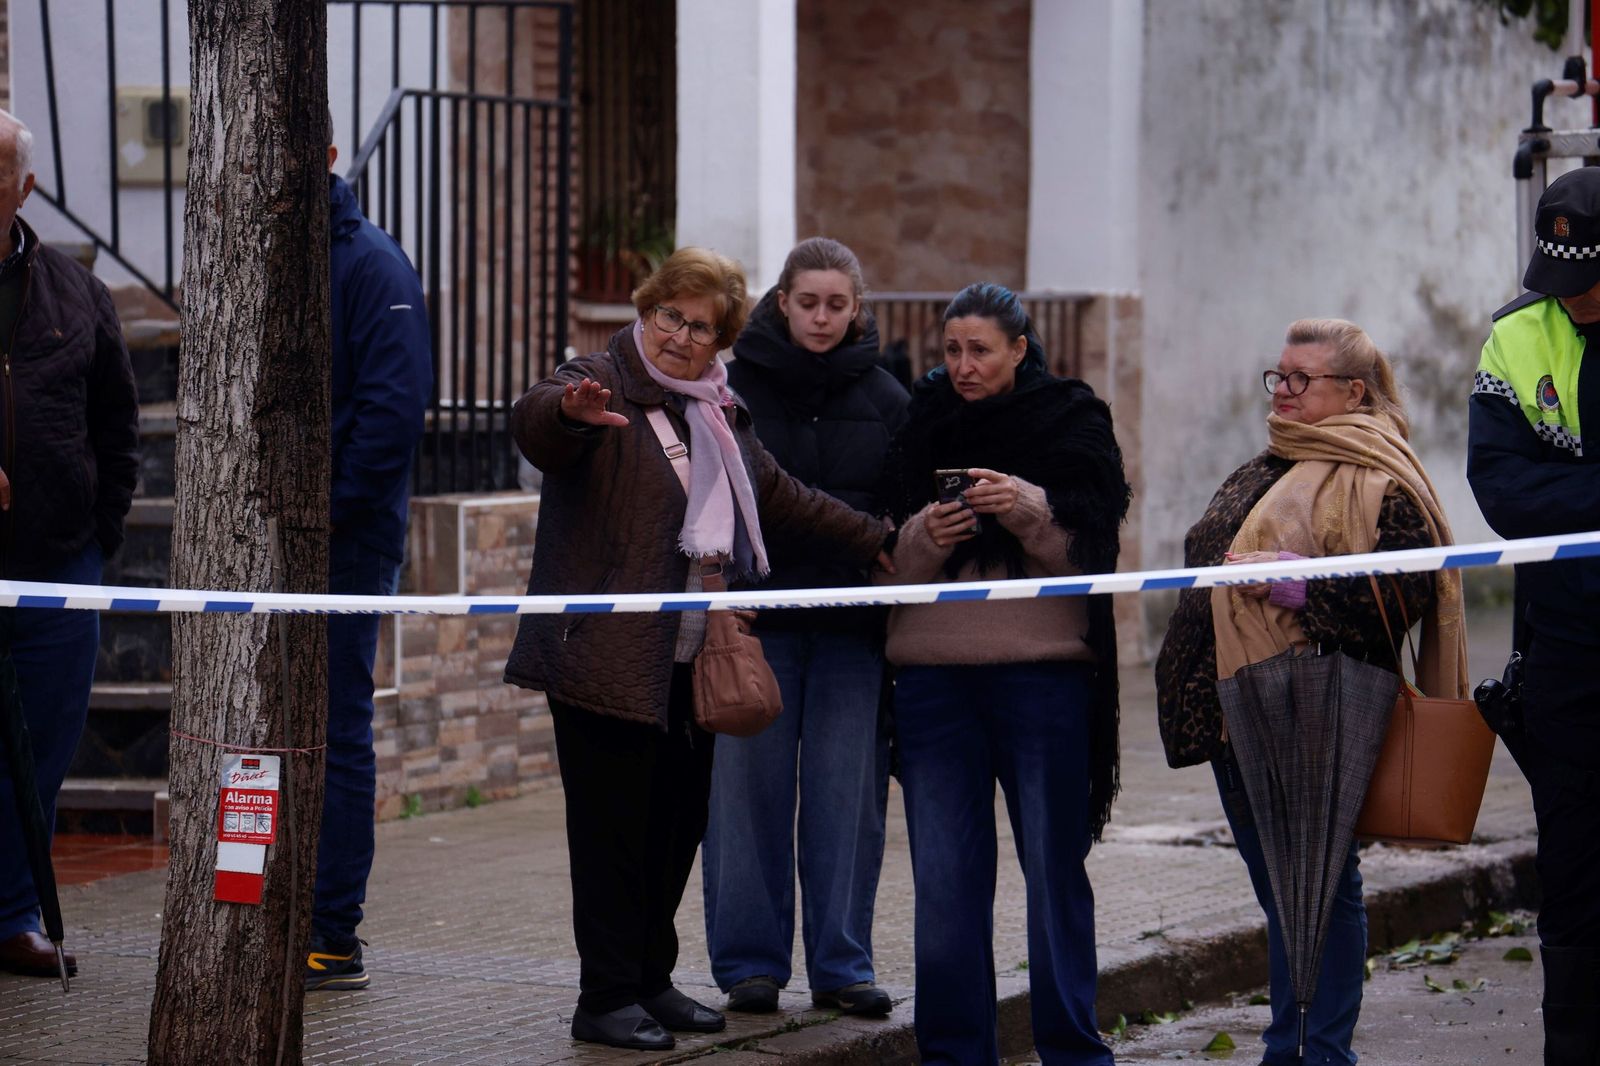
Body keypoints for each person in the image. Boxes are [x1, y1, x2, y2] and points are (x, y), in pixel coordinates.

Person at [503, 247, 893, 1052]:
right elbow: (539, 421)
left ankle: (649, 979)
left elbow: (783, 497)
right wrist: (571, 412)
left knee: (673, 828)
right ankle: (604, 996)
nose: (680, 336)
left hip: (686, 663)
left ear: (721, 340)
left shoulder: (716, 410)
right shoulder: (597, 378)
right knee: (612, 835)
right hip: (602, 659)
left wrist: (880, 542)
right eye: (668, 316)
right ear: (645, 312)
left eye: (700, 326)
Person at [1155, 318, 1466, 1066]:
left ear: (1352, 391)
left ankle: (1314, 1052)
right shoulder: (1272, 460)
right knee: (1284, 897)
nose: (1283, 391)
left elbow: (1407, 589)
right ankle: (1294, 1047)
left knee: (1320, 891)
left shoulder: (1381, 473)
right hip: (1238, 708)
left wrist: (1302, 587)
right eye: (1279, 376)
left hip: (1312, 704)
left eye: (1301, 379)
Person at [877, 282, 1128, 1066]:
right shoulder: (919, 422)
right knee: (946, 885)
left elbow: (1091, 552)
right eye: (951, 350)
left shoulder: (1073, 418)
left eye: (979, 349)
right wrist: (927, 532)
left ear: (1020, 349)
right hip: (932, 685)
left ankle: (1073, 1051)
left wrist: (1027, 510)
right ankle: (954, 1055)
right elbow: (887, 564)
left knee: (1054, 875)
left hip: (1042, 681)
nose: (962, 366)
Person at [702, 237, 908, 1017]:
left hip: (853, 632)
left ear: (857, 310)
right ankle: (750, 965)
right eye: (808, 301)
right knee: (745, 798)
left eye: (837, 304)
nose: (822, 318)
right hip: (757, 627)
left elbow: (900, 515)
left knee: (845, 798)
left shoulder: (891, 400)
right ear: (781, 302)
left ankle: (842, 965)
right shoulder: (730, 388)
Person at [0, 109, 139, 978]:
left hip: (57, 568)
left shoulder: (76, 293)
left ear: (24, 186)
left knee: (42, 751)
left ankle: (12, 913)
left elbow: (117, 426)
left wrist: (99, 536)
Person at [1468, 165, 1600, 1065]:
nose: (1573, 301)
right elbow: (1503, 491)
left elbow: (1541, 488)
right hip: (1567, 655)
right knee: (1577, 884)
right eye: (1560, 280)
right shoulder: (1517, 334)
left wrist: (1574, 491)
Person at [302, 132, 433, 990]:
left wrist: (324, 515)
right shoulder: (270, 258)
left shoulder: (373, 264)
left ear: (327, 148)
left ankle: (328, 934)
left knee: (336, 725)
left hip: (343, 543)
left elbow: (390, 412)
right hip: (277, 539)